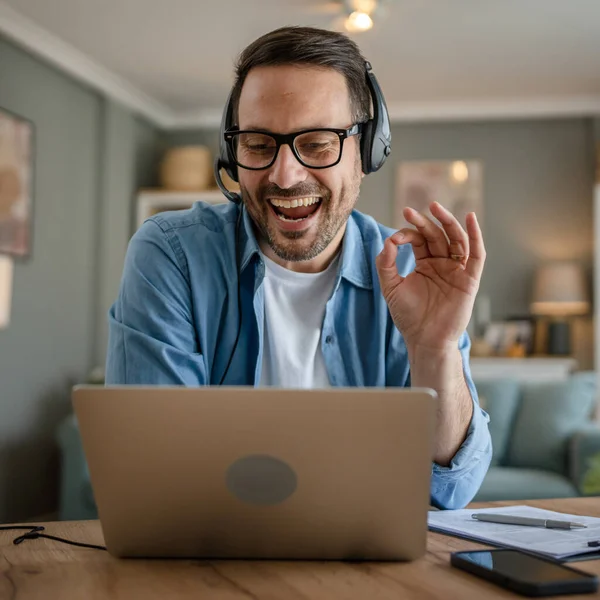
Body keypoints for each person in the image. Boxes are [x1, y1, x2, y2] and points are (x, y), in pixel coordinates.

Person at [106, 26, 492, 510]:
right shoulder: (171, 255)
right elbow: (151, 474)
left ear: (366, 150)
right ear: (233, 152)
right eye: (258, 144)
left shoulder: (414, 270)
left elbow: (451, 489)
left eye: (316, 143)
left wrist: (434, 350)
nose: (284, 176)